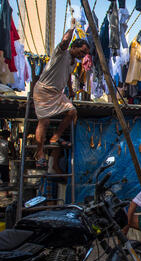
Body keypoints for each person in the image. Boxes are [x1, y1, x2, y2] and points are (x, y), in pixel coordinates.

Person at [33, 18, 90, 168]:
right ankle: (39, 153)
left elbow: (68, 75)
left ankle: (55, 137)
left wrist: (70, 90)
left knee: (72, 112)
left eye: (85, 54)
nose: (82, 55)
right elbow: (65, 41)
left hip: (58, 93)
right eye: (82, 51)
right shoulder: (61, 52)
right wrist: (72, 27)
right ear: (74, 46)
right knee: (44, 121)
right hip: (43, 90)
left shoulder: (74, 62)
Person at [0, 130, 15, 197]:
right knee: (5, 179)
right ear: (8, 136)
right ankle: (7, 193)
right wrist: (10, 156)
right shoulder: (9, 143)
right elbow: (13, 154)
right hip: (4, 163)